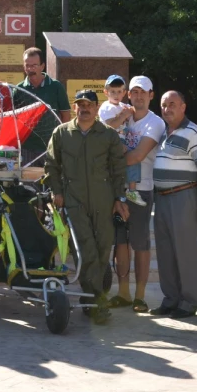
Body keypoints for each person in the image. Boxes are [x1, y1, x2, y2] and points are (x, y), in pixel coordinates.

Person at [45, 89, 130, 324]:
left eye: (89, 105)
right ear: (74, 107)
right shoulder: (61, 133)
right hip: (74, 200)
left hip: (103, 200)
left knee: (103, 249)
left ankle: (88, 299)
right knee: (86, 250)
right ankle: (97, 303)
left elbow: (118, 170)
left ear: (96, 107)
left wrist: (119, 199)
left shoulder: (109, 135)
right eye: (80, 104)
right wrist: (57, 192)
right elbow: (52, 165)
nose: (84, 109)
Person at [100, 75, 164, 312]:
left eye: (143, 92)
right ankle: (124, 293)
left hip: (142, 190)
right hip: (117, 190)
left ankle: (140, 295)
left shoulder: (154, 123)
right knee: (121, 243)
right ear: (128, 94)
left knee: (140, 243)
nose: (138, 96)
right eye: (134, 92)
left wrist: (110, 164)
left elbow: (137, 156)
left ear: (151, 96)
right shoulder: (122, 116)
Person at [149, 91, 197, 319]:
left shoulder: (194, 132)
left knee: (184, 252)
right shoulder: (163, 132)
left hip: (183, 197)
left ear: (183, 107)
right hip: (162, 198)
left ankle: (188, 302)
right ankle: (171, 299)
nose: (167, 109)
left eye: (172, 104)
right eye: (164, 105)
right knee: (165, 252)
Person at [98, 75, 148, 207]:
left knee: (132, 161)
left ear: (125, 93)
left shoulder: (123, 106)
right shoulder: (106, 107)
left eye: (119, 91)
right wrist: (124, 115)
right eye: (112, 91)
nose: (116, 94)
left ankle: (131, 190)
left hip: (123, 142)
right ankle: (116, 194)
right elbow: (110, 126)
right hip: (110, 143)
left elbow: (133, 112)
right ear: (106, 92)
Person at [19, 47, 71, 122]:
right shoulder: (19, 89)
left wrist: (62, 133)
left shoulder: (56, 86)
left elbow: (66, 115)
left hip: (53, 133)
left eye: (34, 65)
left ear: (42, 66)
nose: (30, 69)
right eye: (27, 65)